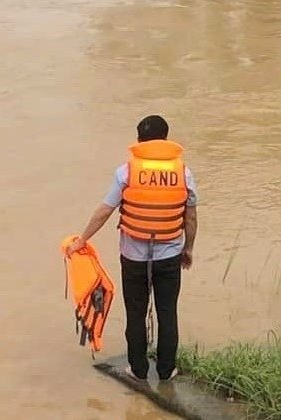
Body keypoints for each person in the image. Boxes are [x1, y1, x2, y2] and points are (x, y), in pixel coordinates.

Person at [67, 115, 198, 382]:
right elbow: (191, 217)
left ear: (139, 140)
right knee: (167, 312)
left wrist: (82, 239)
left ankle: (137, 370)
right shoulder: (184, 172)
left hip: (134, 257)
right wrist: (188, 249)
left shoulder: (126, 171)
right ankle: (166, 371)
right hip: (170, 256)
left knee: (136, 312)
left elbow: (105, 210)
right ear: (166, 138)